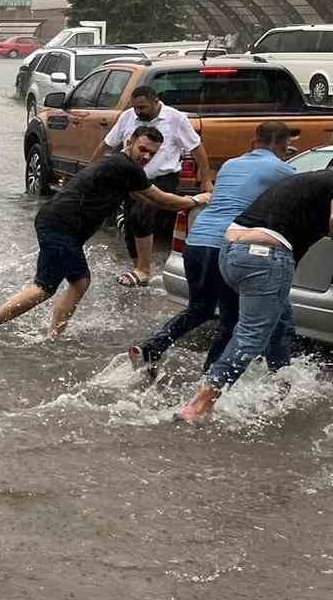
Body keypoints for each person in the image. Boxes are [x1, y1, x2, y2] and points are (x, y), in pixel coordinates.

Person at [0, 127, 208, 341]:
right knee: (45, 288)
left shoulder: (119, 166)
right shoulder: (125, 166)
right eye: (143, 149)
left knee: (75, 282)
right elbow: (161, 199)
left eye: (152, 154)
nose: (146, 156)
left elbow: (140, 196)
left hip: (56, 223)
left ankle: (51, 336)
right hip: (60, 226)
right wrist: (197, 199)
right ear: (129, 141)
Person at [128, 120, 297, 374]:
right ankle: (210, 380)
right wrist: (282, 160)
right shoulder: (280, 169)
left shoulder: (231, 164)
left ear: (254, 141)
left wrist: (278, 157)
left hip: (196, 243)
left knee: (200, 308)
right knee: (231, 321)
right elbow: (303, 187)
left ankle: (152, 347)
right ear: (282, 145)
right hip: (225, 246)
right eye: (286, 145)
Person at [177, 170, 333, 422]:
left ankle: (279, 387)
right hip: (266, 256)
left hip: (231, 251)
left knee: (281, 321)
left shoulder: (311, 180)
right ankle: (198, 406)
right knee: (252, 333)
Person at [100, 85, 211, 286]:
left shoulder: (175, 118)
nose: (138, 112)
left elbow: (196, 148)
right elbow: (107, 143)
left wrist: (205, 179)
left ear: (155, 101)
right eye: (135, 108)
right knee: (130, 221)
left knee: (142, 214)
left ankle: (144, 269)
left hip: (163, 178)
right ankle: (138, 268)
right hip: (132, 178)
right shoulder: (127, 117)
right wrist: (92, 169)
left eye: (142, 107)